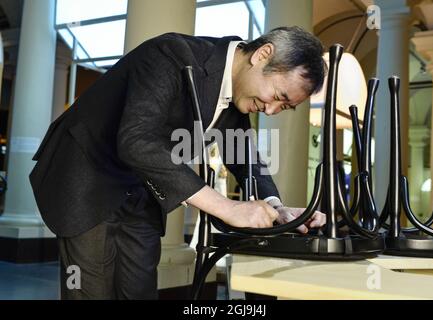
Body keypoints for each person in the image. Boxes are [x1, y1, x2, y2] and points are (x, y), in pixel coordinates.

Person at [29, 26, 327, 300]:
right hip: (85, 177)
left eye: (285, 107)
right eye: (277, 96)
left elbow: (243, 156)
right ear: (263, 55)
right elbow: (137, 141)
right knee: (86, 289)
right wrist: (227, 207)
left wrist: (278, 209)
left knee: (139, 291)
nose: (272, 110)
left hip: (141, 190)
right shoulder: (171, 54)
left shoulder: (236, 94)